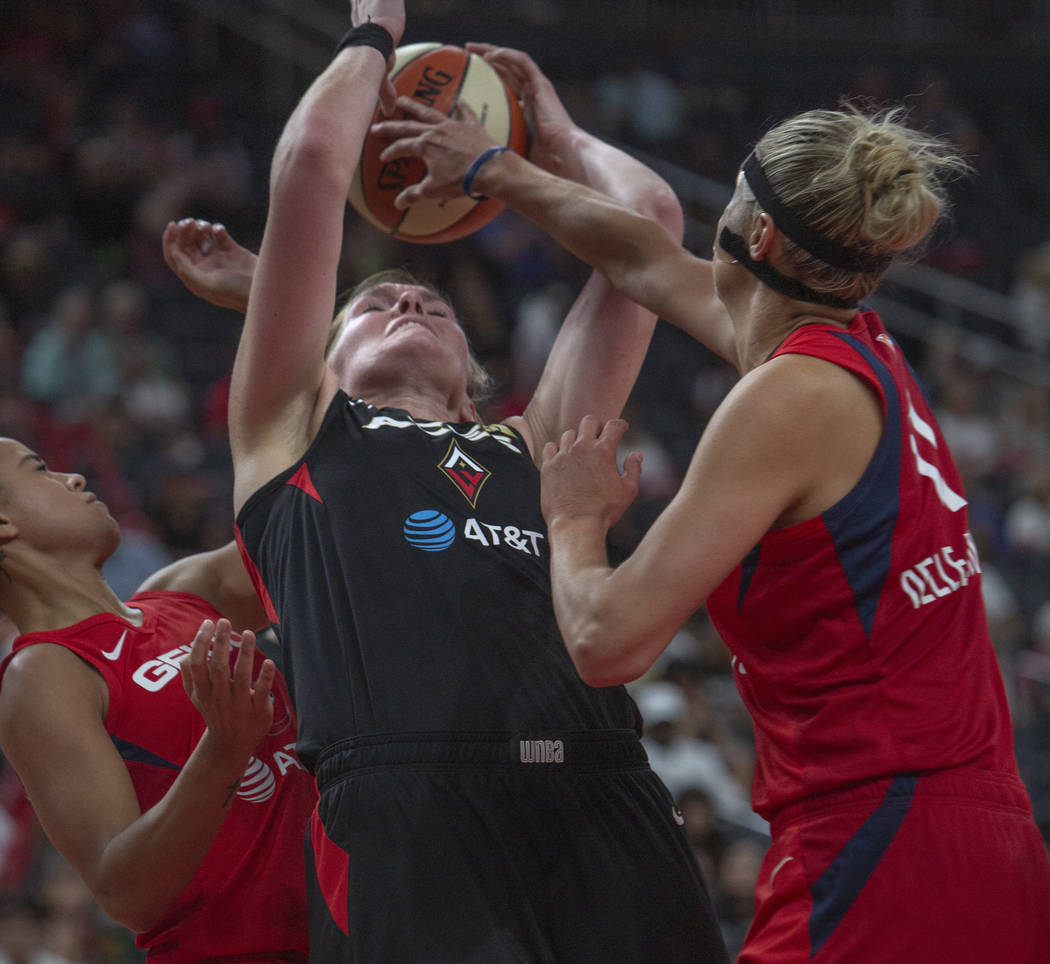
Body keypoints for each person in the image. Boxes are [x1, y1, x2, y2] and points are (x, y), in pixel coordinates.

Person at [375, 96, 1050, 960]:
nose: (714, 219)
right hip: (980, 842)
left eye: (731, 198)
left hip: (881, 845)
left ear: (757, 236)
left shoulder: (783, 399)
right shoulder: (858, 353)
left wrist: (574, 519)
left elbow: (605, 640)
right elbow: (644, 259)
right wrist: (501, 163)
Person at [164, 2, 729, 960]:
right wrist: (374, 30)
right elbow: (308, 172)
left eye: (428, 300)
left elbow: (652, 227)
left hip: (597, 784)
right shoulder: (295, 428)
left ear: (475, 376)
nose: (408, 295)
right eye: (373, 301)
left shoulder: (537, 437)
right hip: (407, 804)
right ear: (321, 354)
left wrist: (552, 136)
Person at [0, 438, 316, 962]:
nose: (72, 478)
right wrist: (224, 747)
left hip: (354, 923)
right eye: (39, 470)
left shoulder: (185, 590)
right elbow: (127, 892)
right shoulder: (44, 672)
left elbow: (310, 530)